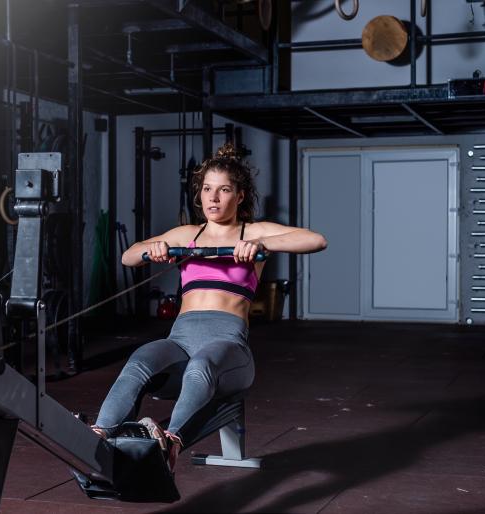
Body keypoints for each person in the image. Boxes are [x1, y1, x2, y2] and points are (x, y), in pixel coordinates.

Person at [91, 143, 328, 471]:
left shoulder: (252, 233)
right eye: (207, 189)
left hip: (229, 349)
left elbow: (316, 239)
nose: (213, 198)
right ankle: (95, 438)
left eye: (224, 189)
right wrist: (155, 247)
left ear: (240, 196)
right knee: (141, 359)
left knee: (201, 365)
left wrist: (261, 245)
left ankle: (168, 447)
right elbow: (128, 255)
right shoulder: (188, 234)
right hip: (180, 342)